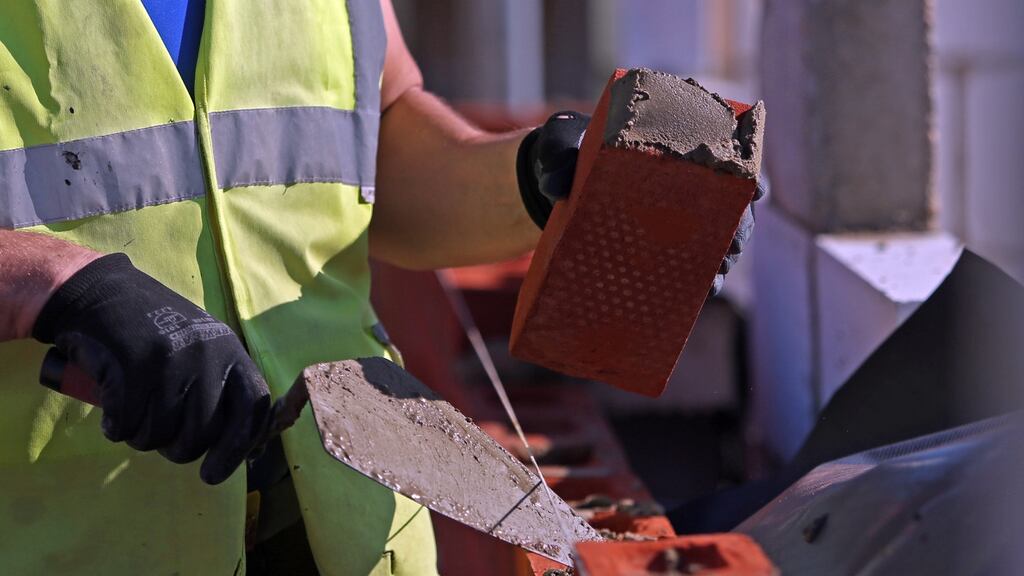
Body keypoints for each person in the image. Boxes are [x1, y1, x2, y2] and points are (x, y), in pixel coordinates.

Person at [0, 1, 757, 574]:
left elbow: (374, 147)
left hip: (350, 532)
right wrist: (58, 285)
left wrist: (533, 178)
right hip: (71, 538)